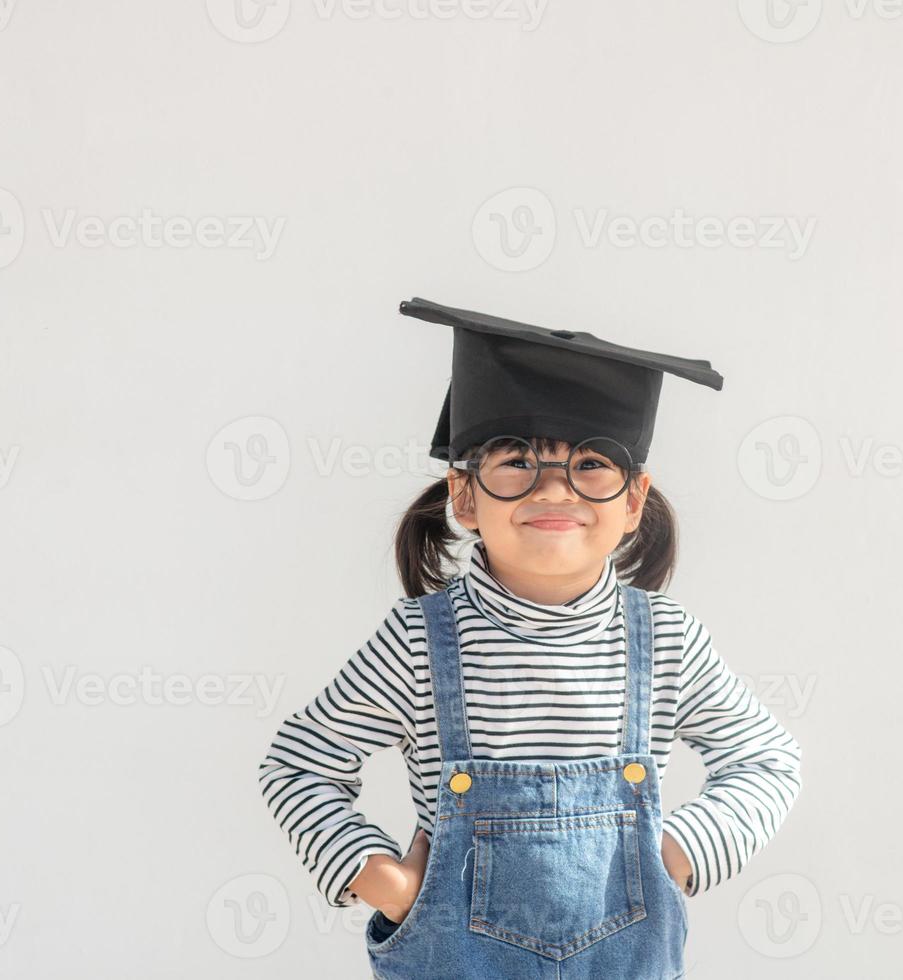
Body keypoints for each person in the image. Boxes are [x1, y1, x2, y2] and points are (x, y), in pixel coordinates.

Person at [257, 298, 804, 978]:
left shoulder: (666, 639)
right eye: (516, 462)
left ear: (633, 501)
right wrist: (385, 883)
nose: (554, 490)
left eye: (593, 464)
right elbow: (298, 764)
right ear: (463, 496)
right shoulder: (417, 643)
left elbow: (767, 761)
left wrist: (677, 854)